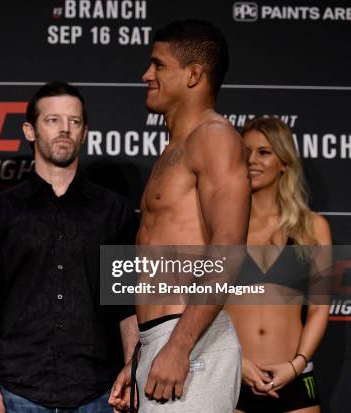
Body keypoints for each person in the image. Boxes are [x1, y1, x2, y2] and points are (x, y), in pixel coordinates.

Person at [0, 81, 139, 412]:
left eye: (74, 122)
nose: (65, 130)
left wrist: (133, 368)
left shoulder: (113, 211)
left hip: (99, 390)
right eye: (53, 120)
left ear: (84, 132)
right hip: (17, 389)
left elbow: (127, 303)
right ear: (30, 131)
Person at [109, 19, 250, 412]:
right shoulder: (176, 148)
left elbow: (229, 248)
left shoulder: (214, 137)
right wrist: (141, 353)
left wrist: (179, 346)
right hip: (162, 340)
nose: (146, 75)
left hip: (189, 342)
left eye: (158, 65)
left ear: (193, 75)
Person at [226, 117, 331, 413]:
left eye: (264, 152)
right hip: (235, 375)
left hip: (294, 379)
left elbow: (320, 309)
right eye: (245, 151)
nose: (252, 160)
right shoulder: (224, 227)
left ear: (284, 162)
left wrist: (296, 365)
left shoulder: (312, 227)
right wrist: (236, 361)